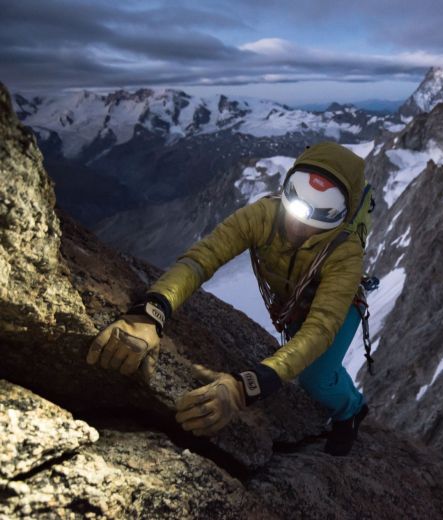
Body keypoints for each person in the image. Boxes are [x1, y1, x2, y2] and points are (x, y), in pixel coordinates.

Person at [86, 141, 370, 456]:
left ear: (342, 217)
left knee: (316, 377)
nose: (300, 221)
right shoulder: (263, 215)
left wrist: (243, 387)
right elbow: (204, 258)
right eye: (297, 193)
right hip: (294, 306)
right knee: (308, 361)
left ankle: (352, 411)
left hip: (339, 311)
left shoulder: (345, 253)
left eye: (324, 211)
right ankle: (341, 394)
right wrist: (152, 311)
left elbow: (320, 328)